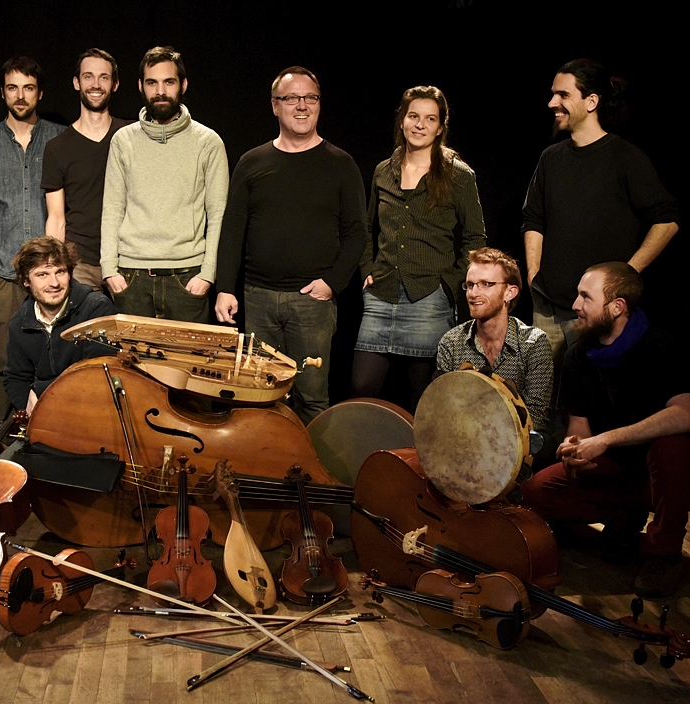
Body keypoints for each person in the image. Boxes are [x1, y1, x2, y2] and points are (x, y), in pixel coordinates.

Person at [521, 263, 690, 597]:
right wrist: (575, 450)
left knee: (672, 449)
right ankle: (622, 519)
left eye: (585, 297)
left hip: (666, 475)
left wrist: (605, 440)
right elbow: (579, 430)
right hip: (615, 472)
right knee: (535, 492)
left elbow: (685, 415)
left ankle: (664, 553)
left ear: (617, 306)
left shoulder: (658, 345)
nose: (575, 305)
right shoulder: (578, 356)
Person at [215, 66, 366, 424]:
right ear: (274, 105)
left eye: (310, 98)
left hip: (312, 304)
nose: (302, 106)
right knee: (259, 396)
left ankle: (310, 463)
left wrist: (332, 283)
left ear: (319, 104)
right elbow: (233, 229)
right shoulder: (252, 162)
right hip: (258, 298)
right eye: (292, 98)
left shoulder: (340, 164)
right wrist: (225, 288)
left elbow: (358, 232)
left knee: (311, 398)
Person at [522, 58, 679, 368]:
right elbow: (533, 219)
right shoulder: (551, 158)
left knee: (590, 393)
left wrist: (626, 274)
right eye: (553, 94)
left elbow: (667, 220)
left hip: (597, 313)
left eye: (563, 95)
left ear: (591, 101)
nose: (552, 103)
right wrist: (533, 275)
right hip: (548, 309)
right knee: (544, 395)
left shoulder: (625, 157)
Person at [352, 86, 486, 413]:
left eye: (430, 119)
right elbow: (365, 227)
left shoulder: (458, 175)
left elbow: (475, 239)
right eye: (414, 116)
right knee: (362, 387)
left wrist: (449, 286)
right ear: (402, 121)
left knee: (423, 397)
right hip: (382, 294)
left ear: (440, 127)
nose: (420, 125)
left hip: (429, 298)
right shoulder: (384, 171)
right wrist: (367, 270)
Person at [0, 56, 64, 425]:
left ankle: (49, 436)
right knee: (1, 361)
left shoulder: (61, 138)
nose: (20, 96)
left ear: (40, 93)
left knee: (53, 360)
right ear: (2, 93)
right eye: (12, 88)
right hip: (1, 271)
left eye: (28, 88)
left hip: (49, 273)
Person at [100, 46, 228, 323]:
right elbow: (112, 208)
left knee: (185, 354)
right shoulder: (123, 140)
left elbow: (218, 214)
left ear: (183, 85)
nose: (160, 91)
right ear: (140, 86)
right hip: (131, 277)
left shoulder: (208, 142)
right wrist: (109, 269)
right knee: (132, 355)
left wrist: (208, 273)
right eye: (152, 83)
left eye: (169, 82)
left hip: (187, 276)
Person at [41, 49, 131, 289]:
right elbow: (56, 218)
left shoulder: (131, 137)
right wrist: (54, 268)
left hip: (127, 260)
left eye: (104, 77)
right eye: (88, 76)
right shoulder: (57, 147)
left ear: (115, 84)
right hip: (80, 263)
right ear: (76, 82)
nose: (96, 84)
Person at [436, 248, 552, 434]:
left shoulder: (533, 343)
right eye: (470, 285)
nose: (473, 293)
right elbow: (442, 409)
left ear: (509, 292)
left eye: (486, 284)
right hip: (462, 439)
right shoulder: (451, 342)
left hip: (516, 441)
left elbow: (536, 417)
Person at [4, 237, 116, 414]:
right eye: (42, 275)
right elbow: (15, 378)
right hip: (47, 414)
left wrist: (40, 390)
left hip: (92, 410)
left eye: (60, 272)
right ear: (26, 280)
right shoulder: (20, 323)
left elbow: (96, 373)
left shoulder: (96, 308)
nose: (54, 283)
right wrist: (31, 406)